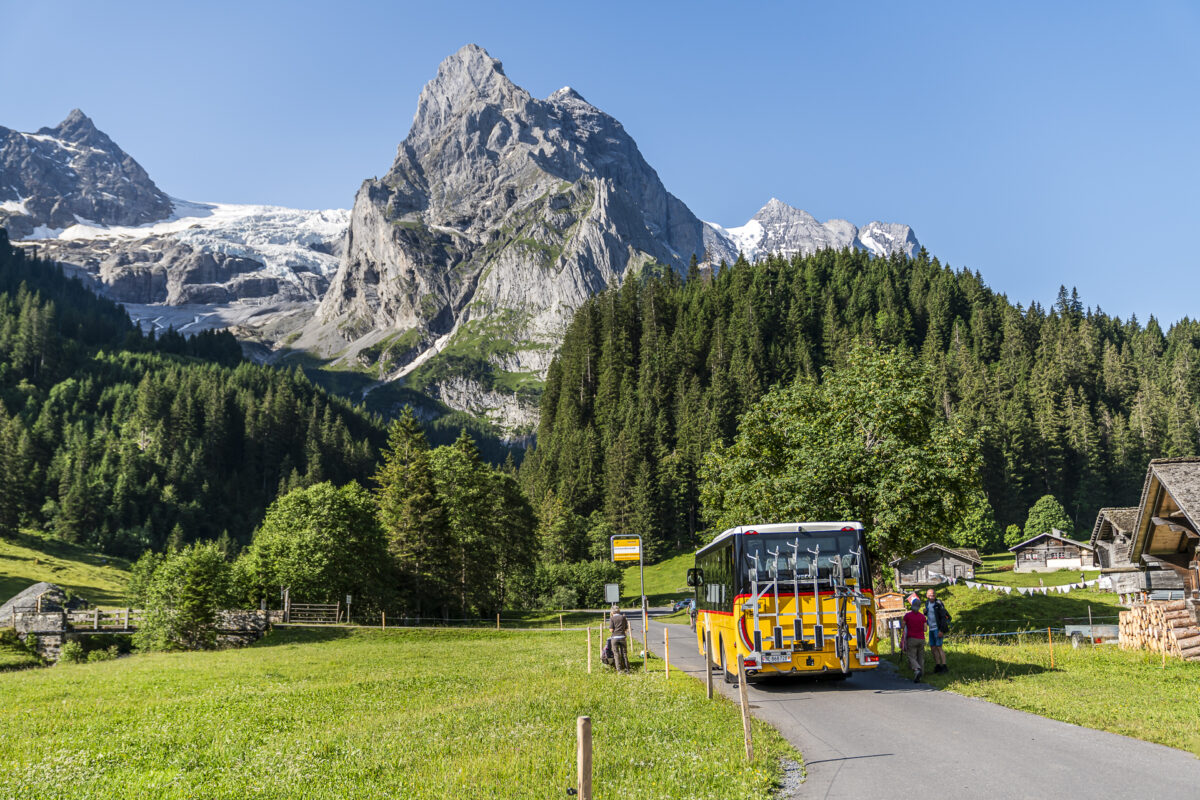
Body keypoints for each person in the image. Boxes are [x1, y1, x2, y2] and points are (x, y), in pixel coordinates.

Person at [924, 588, 951, 673]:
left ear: (935, 595)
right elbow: (929, 614)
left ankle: (944, 666)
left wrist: (941, 630)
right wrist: (925, 612)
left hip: (937, 628)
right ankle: (937, 665)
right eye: (930, 595)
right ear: (927, 595)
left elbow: (943, 618)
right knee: (933, 648)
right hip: (931, 629)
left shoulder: (938, 604)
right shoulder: (927, 603)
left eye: (933, 595)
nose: (931, 596)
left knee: (939, 647)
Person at [901, 597, 927, 682]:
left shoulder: (907, 616)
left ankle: (917, 669)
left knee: (911, 656)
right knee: (921, 656)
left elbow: (903, 625)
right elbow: (925, 629)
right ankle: (921, 674)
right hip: (921, 639)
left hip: (912, 638)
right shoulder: (922, 617)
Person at [609, 604, 630, 673]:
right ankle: (627, 669)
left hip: (615, 637)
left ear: (612, 612)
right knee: (624, 653)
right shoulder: (623, 617)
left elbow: (611, 630)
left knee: (616, 654)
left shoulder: (612, 618)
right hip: (622, 637)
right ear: (619, 611)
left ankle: (619, 670)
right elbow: (626, 628)